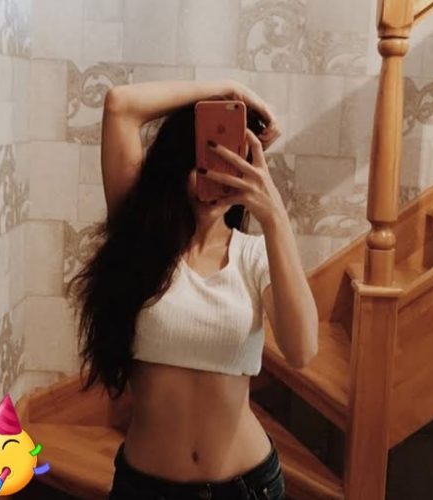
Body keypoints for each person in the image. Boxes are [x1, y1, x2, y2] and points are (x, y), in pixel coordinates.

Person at [66, 79, 319, 499]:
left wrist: (274, 216)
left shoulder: (255, 255)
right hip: (145, 488)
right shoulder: (138, 238)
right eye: (202, 162)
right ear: (174, 166)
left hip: (246, 486)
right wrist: (229, 88)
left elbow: (302, 350)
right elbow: (120, 105)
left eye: (230, 165)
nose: (214, 178)